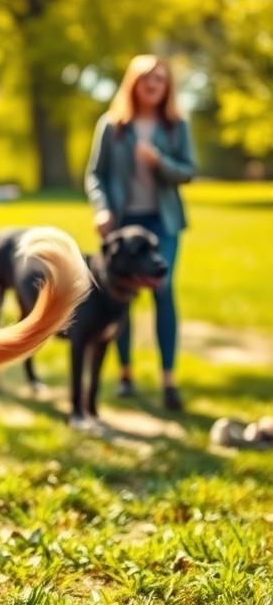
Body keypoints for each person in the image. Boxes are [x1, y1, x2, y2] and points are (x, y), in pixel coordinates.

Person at [85, 54, 196, 411]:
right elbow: (95, 174)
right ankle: (126, 375)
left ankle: (168, 380)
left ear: (167, 87)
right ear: (134, 83)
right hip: (121, 224)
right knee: (120, 295)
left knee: (161, 290)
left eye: (160, 80)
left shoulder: (176, 125)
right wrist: (101, 207)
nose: (154, 85)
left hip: (162, 222)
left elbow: (189, 171)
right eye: (147, 79)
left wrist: (159, 162)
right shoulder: (112, 125)